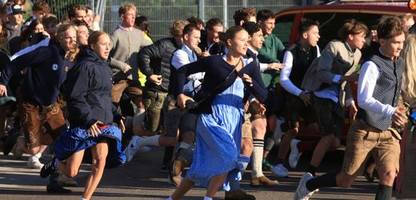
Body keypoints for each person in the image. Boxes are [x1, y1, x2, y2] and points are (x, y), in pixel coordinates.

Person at [295, 16, 407, 200]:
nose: (400, 47)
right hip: (364, 130)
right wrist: (390, 110)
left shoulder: (400, 63)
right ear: (383, 40)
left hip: (388, 131)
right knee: (345, 179)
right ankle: (308, 184)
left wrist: (402, 107)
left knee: (389, 174)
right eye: (396, 42)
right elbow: (364, 99)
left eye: (402, 42)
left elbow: (398, 92)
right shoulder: (371, 65)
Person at [167, 26, 267, 200]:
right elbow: (182, 71)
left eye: (247, 40)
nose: (246, 43)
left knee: (202, 164)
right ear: (229, 42)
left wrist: (251, 85)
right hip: (211, 116)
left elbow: (264, 94)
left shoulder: (251, 64)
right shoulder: (214, 62)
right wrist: (180, 94)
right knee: (228, 157)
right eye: (242, 40)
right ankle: (209, 197)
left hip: (235, 118)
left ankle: (173, 198)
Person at [40, 31, 125, 200]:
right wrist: (89, 120)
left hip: (104, 123)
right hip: (85, 123)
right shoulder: (84, 66)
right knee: (72, 171)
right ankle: (56, 163)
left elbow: (104, 98)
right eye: (103, 44)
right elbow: (75, 96)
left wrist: (117, 115)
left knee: (100, 161)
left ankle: (85, 198)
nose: (108, 47)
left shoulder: (105, 67)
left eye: (109, 44)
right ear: (92, 46)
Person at [0, 23, 77, 193]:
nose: (72, 40)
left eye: (74, 37)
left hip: (50, 104)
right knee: (34, 149)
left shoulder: (68, 57)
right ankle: (17, 141)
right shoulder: (46, 52)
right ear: (59, 37)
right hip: (30, 102)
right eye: (68, 37)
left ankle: (55, 181)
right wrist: (2, 82)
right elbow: (16, 62)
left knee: (63, 139)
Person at [301, 19, 367, 177]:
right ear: (350, 36)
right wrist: (342, 79)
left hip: (337, 98)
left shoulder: (357, 54)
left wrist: (351, 102)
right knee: (329, 135)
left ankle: (300, 145)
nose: (364, 39)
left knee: (336, 142)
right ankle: (310, 172)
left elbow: (348, 80)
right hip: (321, 94)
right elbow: (322, 73)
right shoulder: (334, 46)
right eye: (362, 36)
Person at [270, 18, 320, 177]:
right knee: (293, 129)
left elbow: (317, 72)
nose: (318, 36)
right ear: (305, 35)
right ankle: (278, 163)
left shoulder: (316, 49)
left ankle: (297, 146)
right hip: (294, 95)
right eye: (315, 33)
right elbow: (284, 79)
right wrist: (300, 93)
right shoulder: (291, 52)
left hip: (310, 94)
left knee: (315, 129)